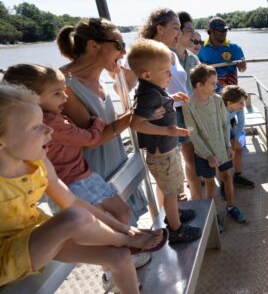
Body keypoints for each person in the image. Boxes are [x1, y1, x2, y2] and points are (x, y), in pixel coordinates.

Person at [0, 83, 166, 293]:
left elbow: (72, 200)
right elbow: (74, 212)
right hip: (7, 257)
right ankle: (127, 241)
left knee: (121, 257)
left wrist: (125, 226)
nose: (49, 129)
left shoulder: (38, 165)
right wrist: (125, 236)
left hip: (33, 237)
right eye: (35, 127)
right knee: (73, 218)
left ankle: (127, 242)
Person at [56, 17, 155, 272]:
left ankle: (125, 272)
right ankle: (115, 276)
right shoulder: (64, 86)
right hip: (92, 170)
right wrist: (134, 116)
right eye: (119, 45)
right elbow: (92, 139)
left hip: (115, 162)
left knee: (124, 226)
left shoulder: (101, 79)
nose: (123, 52)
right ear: (94, 45)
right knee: (110, 240)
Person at [1, 64, 130, 224]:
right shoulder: (52, 122)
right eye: (57, 93)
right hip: (71, 183)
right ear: (32, 96)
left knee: (122, 213)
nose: (65, 97)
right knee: (102, 224)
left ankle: (127, 242)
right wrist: (98, 121)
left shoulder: (53, 118)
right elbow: (89, 139)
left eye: (64, 91)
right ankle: (126, 243)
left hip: (85, 176)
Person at [127, 39, 202, 243]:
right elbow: (136, 124)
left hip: (167, 151)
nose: (170, 75)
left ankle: (174, 213)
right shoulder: (148, 95)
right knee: (170, 192)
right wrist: (168, 130)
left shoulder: (152, 89)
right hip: (162, 154)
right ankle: (176, 229)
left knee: (175, 187)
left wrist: (172, 97)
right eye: (165, 71)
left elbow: (160, 100)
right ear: (147, 75)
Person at [139, 8, 205, 200]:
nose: (183, 33)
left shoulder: (173, 55)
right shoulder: (147, 53)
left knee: (187, 162)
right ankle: (168, 220)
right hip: (164, 118)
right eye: (177, 28)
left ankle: (195, 202)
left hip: (184, 113)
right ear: (160, 29)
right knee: (166, 173)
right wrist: (144, 112)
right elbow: (133, 86)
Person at [182, 64, 247, 225]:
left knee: (227, 177)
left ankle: (231, 207)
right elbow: (193, 133)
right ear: (199, 85)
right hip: (204, 153)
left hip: (222, 148)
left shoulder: (217, 100)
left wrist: (228, 146)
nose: (217, 85)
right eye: (212, 83)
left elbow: (225, 125)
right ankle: (212, 213)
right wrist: (208, 155)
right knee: (210, 183)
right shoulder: (188, 106)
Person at [199, 16, 255, 189]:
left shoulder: (234, 48)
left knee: (236, 143)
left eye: (225, 30)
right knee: (219, 144)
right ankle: (223, 180)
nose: (223, 33)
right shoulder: (202, 51)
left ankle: (236, 176)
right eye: (219, 30)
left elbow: (243, 68)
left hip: (232, 102)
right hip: (212, 103)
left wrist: (242, 64)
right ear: (210, 31)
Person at [173, 11, 203, 201]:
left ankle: (197, 200)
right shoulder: (166, 57)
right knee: (174, 164)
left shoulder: (193, 59)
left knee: (192, 161)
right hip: (173, 116)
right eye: (188, 30)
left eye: (193, 30)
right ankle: (177, 203)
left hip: (192, 115)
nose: (193, 35)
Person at [220, 85, 251, 199]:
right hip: (217, 131)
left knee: (238, 148)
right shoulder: (220, 110)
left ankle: (237, 176)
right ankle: (223, 183)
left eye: (243, 102)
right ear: (229, 103)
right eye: (240, 103)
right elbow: (219, 131)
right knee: (223, 157)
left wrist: (235, 141)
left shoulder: (238, 108)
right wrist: (228, 146)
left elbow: (241, 123)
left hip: (227, 128)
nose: (243, 106)